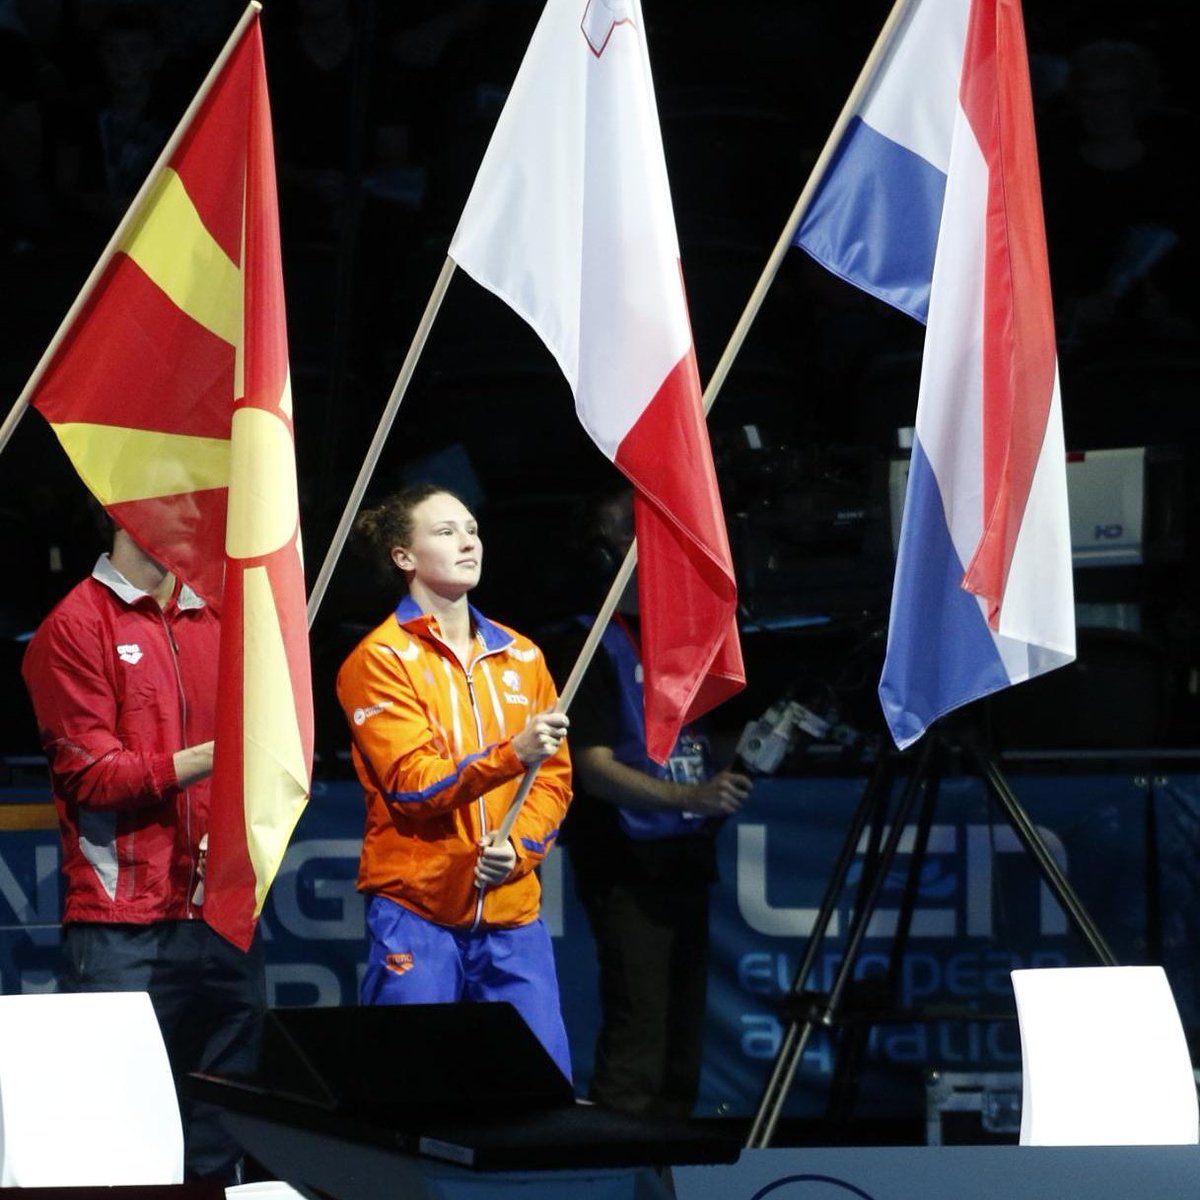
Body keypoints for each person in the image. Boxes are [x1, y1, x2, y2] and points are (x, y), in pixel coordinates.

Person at [20, 517, 266, 1184]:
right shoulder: (74, 625)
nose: (191, 513)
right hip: (121, 925)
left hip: (222, 913)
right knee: (126, 1135)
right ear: (124, 510)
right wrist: (210, 759)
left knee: (222, 1129)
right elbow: (91, 776)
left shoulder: (223, 615)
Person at [335, 483, 574, 1079]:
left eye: (471, 529)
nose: (468, 541)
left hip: (513, 913)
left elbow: (555, 782)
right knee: (411, 1094)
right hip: (418, 909)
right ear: (404, 558)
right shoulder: (379, 659)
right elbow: (413, 787)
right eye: (445, 532)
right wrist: (511, 754)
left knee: (540, 1094)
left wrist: (517, 849)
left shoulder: (524, 657)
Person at [543, 487, 753, 1118]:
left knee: (682, 1041)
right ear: (604, 558)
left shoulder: (688, 635)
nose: (649, 548)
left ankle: (670, 1176)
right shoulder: (583, 644)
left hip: (687, 856)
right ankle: (618, 1170)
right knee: (640, 1032)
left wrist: (770, 737)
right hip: (624, 862)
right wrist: (691, 794)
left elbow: (719, 733)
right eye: (631, 535)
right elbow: (592, 768)